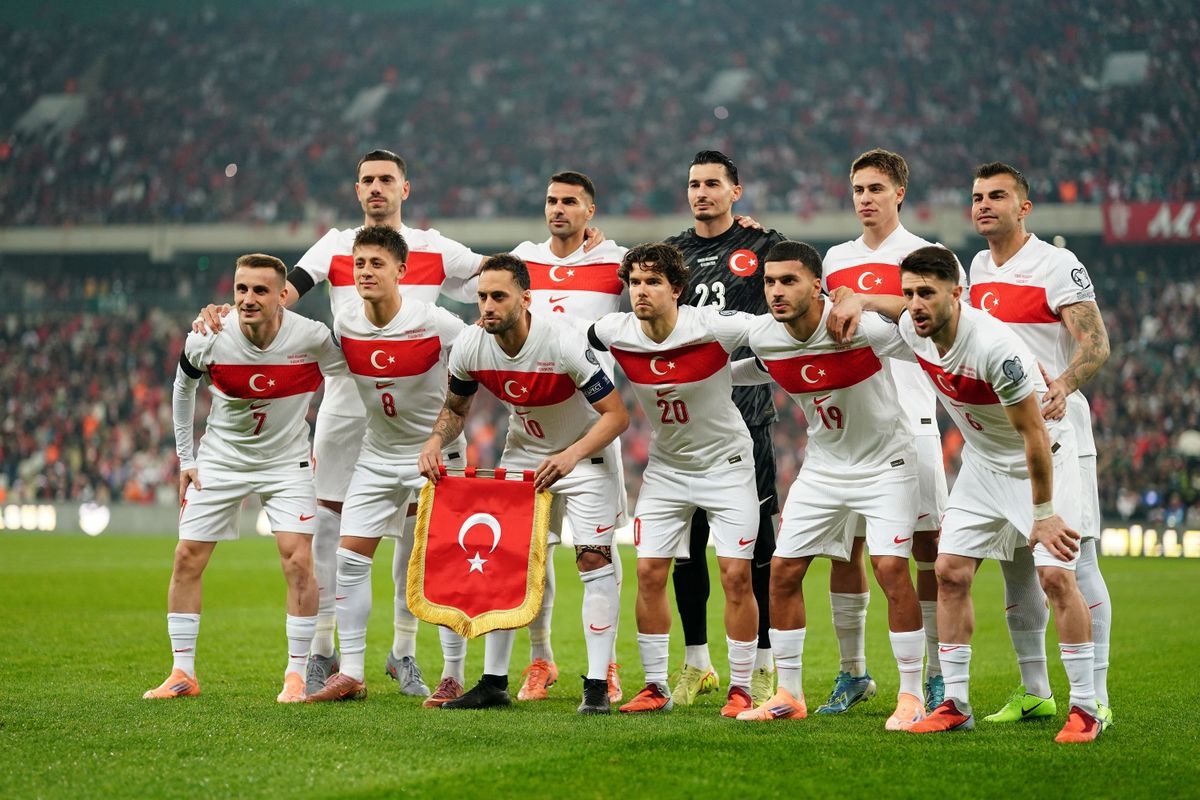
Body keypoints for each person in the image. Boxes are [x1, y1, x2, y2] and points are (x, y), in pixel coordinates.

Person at [196, 150, 485, 698]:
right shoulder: (333, 246)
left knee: (414, 537)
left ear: (406, 188)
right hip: (348, 399)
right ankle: (325, 653)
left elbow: (495, 280)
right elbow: (280, 295)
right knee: (328, 528)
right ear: (357, 189)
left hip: (416, 404)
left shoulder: (434, 247)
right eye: (368, 181)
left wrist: (561, 257)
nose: (377, 188)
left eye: (387, 180)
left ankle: (403, 652)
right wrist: (224, 314)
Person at [830, 245, 1102, 743]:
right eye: (909, 292)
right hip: (982, 465)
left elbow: (1035, 435)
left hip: (1040, 460)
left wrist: (1042, 515)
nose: (914, 304)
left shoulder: (997, 347)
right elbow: (894, 306)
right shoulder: (916, 326)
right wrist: (862, 300)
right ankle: (954, 701)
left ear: (958, 295)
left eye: (926, 294)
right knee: (950, 572)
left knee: (1057, 578)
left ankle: (1086, 707)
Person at [718, 241, 928, 730]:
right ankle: (789, 693)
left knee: (892, 569)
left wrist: (866, 298)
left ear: (818, 286)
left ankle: (912, 695)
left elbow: (924, 323)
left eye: (788, 281)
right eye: (769, 282)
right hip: (825, 467)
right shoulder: (765, 335)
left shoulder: (859, 327)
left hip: (886, 464)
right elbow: (756, 366)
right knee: (784, 572)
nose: (775, 291)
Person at [418, 254, 629, 714]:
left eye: (499, 296)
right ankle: (494, 682)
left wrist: (570, 456)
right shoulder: (471, 345)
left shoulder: (563, 342)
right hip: (525, 457)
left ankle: (596, 687)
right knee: (506, 563)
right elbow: (455, 409)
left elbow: (617, 415)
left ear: (526, 299)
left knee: (593, 561)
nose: (487, 306)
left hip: (586, 455)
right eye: (482, 297)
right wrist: (435, 440)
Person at [145, 254, 346, 703]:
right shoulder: (209, 337)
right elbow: (183, 387)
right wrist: (186, 459)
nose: (247, 299)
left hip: (286, 460)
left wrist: (337, 443)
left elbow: (346, 378)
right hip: (222, 457)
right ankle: (182, 673)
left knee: (298, 562)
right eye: (240, 290)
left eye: (259, 290)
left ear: (282, 296)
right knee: (186, 558)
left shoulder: (312, 339)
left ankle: (295, 674)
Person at [965, 162, 1114, 727]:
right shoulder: (977, 266)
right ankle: (1034, 690)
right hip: (1004, 439)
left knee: (1077, 560)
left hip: (1060, 431)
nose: (984, 205)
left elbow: (1096, 344)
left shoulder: (1057, 265)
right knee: (1016, 566)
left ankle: (1095, 694)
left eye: (997, 196)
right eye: (977, 196)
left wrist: (1064, 383)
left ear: (1023, 207)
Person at [588, 243, 761, 718]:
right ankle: (655, 685)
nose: (640, 291)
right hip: (666, 469)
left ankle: (742, 687)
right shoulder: (613, 330)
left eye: (652, 282)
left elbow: (772, 334)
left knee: (735, 575)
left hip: (726, 466)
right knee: (648, 573)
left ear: (677, 289)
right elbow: (573, 342)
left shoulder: (713, 326)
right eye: (634, 282)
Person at [305, 226, 469, 703]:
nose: (365, 272)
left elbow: (470, 379)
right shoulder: (346, 327)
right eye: (359, 264)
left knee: (440, 566)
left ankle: (452, 674)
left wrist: (440, 439)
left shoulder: (436, 323)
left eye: (376, 264)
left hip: (431, 456)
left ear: (402, 270)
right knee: (351, 560)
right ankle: (352, 672)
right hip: (376, 456)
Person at [819, 148, 957, 713]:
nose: (865, 199)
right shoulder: (834, 259)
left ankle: (936, 675)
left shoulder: (930, 255)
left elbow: (942, 321)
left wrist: (868, 299)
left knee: (927, 549)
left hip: (914, 418)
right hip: (849, 424)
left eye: (875, 188)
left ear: (900, 192)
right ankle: (853, 672)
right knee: (844, 551)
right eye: (857, 189)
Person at [663, 150, 784, 707]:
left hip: (750, 417)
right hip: (689, 422)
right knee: (688, 551)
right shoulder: (673, 255)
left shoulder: (765, 247)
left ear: (736, 191)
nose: (701, 193)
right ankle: (697, 663)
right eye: (693, 184)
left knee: (755, 551)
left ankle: (762, 663)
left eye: (713, 184)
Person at [509, 171, 628, 704]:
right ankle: (542, 660)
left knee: (594, 551)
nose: (558, 209)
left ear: (590, 211)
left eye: (570, 202)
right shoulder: (523, 258)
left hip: (593, 426)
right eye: (551, 200)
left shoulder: (616, 262)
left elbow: (678, 276)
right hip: (529, 427)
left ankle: (607, 666)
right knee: (533, 551)